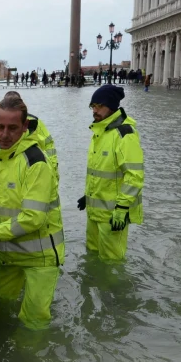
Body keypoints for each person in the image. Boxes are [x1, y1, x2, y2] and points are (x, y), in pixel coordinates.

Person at [0, 92, 63, 330]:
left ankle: (30, 361)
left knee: (33, 321)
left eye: (12, 128)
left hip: (39, 259)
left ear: (25, 127)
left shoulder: (36, 163)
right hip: (8, 255)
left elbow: (32, 219)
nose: (3, 134)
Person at [76, 84, 145, 263]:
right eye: (93, 106)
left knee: (112, 262)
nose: (95, 111)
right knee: (92, 256)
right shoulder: (100, 131)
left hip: (113, 216)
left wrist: (122, 209)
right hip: (95, 212)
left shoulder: (124, 134)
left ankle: (113, 290)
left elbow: (134, 176)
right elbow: (100, 172)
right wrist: (88, 195)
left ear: (112, 107)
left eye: (100, 106)